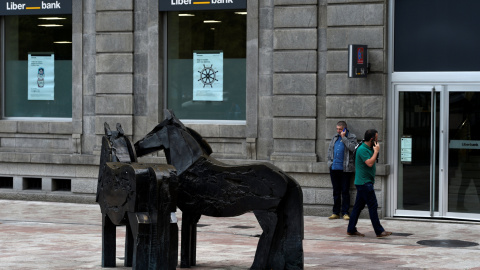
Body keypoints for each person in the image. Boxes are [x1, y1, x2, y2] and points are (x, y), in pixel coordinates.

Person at [347, 129, 392, 238]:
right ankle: (379, 231)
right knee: (373, 205)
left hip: (364, 182)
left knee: (358, 207)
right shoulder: (362, 149)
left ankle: (351, 229)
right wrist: (376, 151)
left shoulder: (367, 147)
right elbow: (370, 163)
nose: (377, 139)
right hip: (364, 183)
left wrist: (375, 150)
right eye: (376, 137)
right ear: (372, 139)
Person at [327, 121, 357, 220]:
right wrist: (329, 163)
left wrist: (344, 138)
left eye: (340, 129)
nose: (338, 131)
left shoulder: (352, 137)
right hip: (334, 168)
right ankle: (335, 212)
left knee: (345, 191)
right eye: (337, 129)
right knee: (336, 191)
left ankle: (345, 212)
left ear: (345, 128)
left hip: (345, 169)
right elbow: (330, 150)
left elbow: (353, 148)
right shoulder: (335, 137)